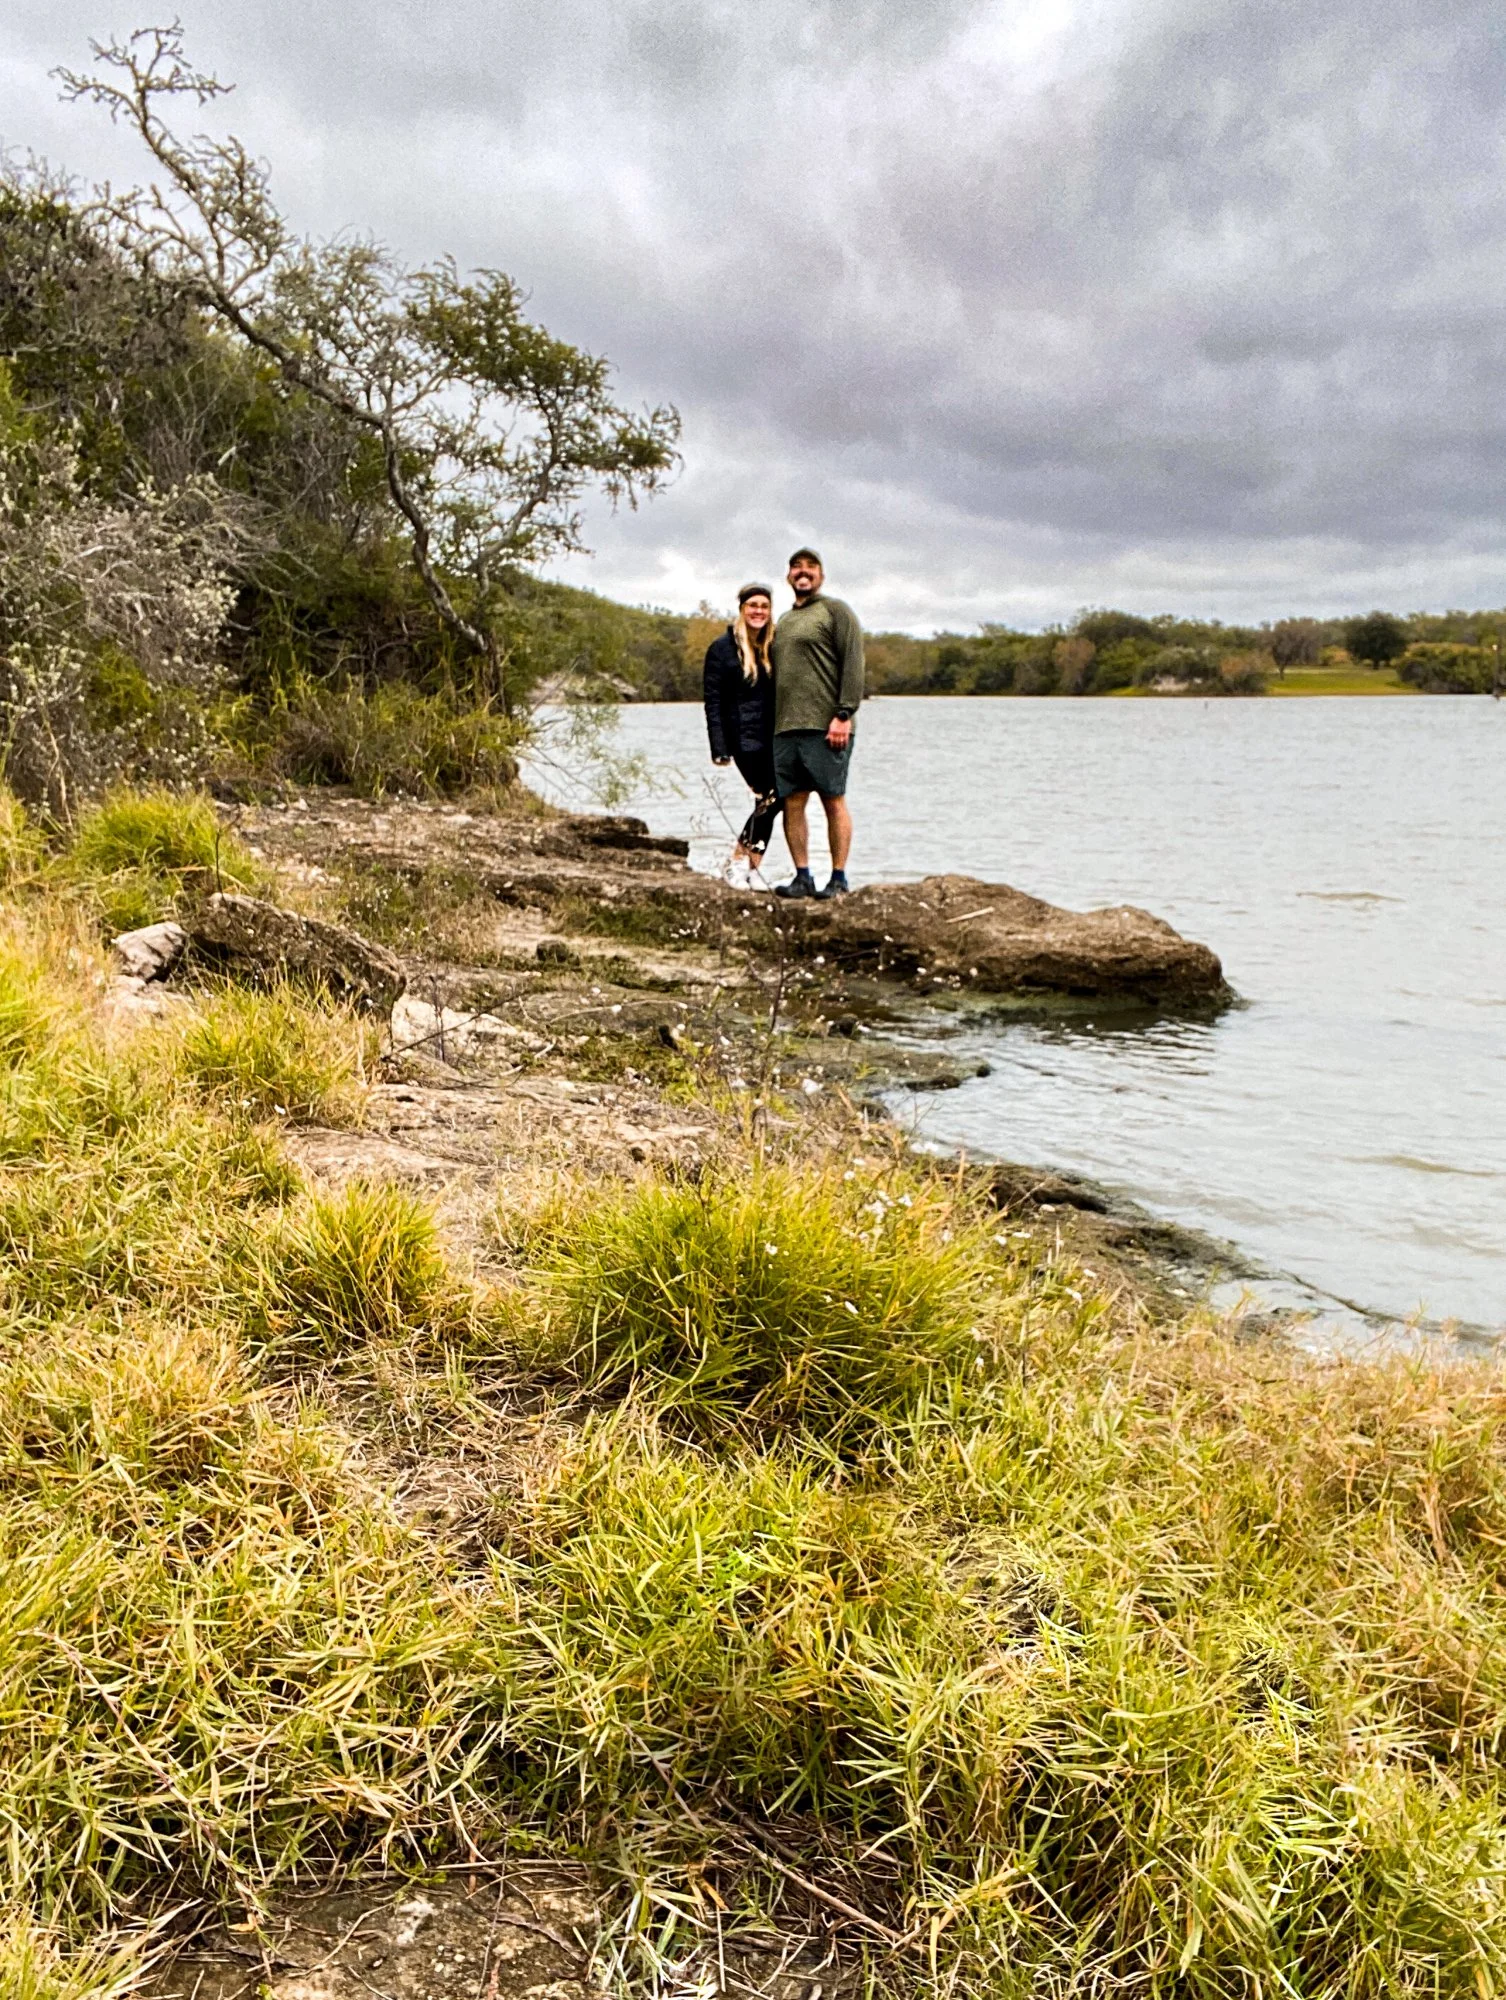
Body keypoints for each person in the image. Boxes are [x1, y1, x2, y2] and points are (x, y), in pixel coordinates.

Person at [769, 547, 863, 899]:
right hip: (786, 728)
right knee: (793, 803)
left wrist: (843, 714)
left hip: (826, 727)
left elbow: (853, 664)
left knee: (832, 800)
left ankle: (838, 879)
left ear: (821, 575)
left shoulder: (836, 611)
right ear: (789, 576)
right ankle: (803, 877)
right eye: (796, 567)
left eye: (811, 567)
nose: (803, 572)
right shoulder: (785, 621)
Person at [702, 582, 779, 881]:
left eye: (764, 606)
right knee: (772, 796)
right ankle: (739, 864)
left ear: (770, 611)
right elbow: (713, 702)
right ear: (742, 609)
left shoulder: (774, 644)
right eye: (753, 605)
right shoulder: (722, 649)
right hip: (743, 739)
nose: (758, 611)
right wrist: (718, 747)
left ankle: (741, 866)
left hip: (774, 736)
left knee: (772, 800)